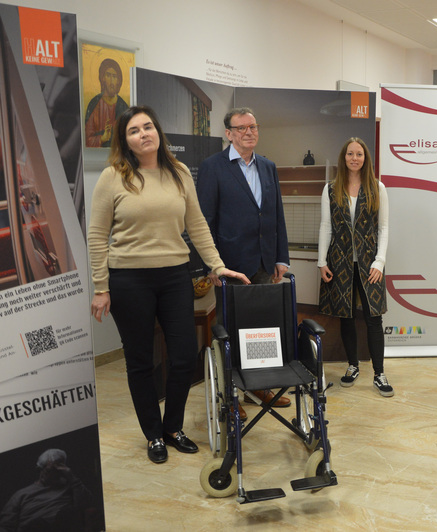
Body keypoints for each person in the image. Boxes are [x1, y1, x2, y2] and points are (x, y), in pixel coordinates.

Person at [88, 105, 250, 464]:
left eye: (147, 126)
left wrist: (217, 265)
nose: (143, 134)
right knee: (140, 361)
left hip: (175, 275)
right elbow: (97, 236)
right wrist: (101, 287)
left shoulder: (179, 172)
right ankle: (153, 435)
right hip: (129, 280)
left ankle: (173, 428)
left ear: (157, 132)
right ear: (125, 141)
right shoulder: (113, 177)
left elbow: (197, 224)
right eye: (133, 130)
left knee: (183, 356)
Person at [197, 107, 292, 411]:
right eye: (241, 128)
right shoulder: (212, 167)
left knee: (262, 329)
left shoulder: (268, 166)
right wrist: (212, 265)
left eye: (253, 126)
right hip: (230, 266)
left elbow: (276, 215)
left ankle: (259, 388)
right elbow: (204, 221)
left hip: (264, 263)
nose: (249, 132)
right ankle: (230, 395)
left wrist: (281, 257)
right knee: (231, 330)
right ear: (228, 133)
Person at [318, 137, 393, 397]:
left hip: (370, 263)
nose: (354, 158)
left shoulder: (377, 188)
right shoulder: (330, 189)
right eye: (350, 154)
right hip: (339, 262)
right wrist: (321, 261)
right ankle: (352, 366)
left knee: (374, 318)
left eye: (359, 154)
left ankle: (379, 374)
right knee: (346, 316)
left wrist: (379, 261)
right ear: (344, 157)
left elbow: (383, 228)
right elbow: (326, 226)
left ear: (365, 158)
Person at [0, 449, 98, 532]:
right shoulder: (21, 494)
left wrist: (72, 478)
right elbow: (6, 524)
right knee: (37, 524)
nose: (54, 474)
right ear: (40, 469)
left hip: (62, 526)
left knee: (66, 514)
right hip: (32, 528)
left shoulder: (71, 487)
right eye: (50, 470)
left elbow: (87, 504)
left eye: (58, 469)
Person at [84, 58, 129, 148]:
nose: (112, 81)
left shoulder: (124, 107)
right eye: (108, 75)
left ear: (118, 80)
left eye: (114, 76)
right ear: (103, 78)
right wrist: (102, 138)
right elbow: (87, 139)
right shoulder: (95, 104)